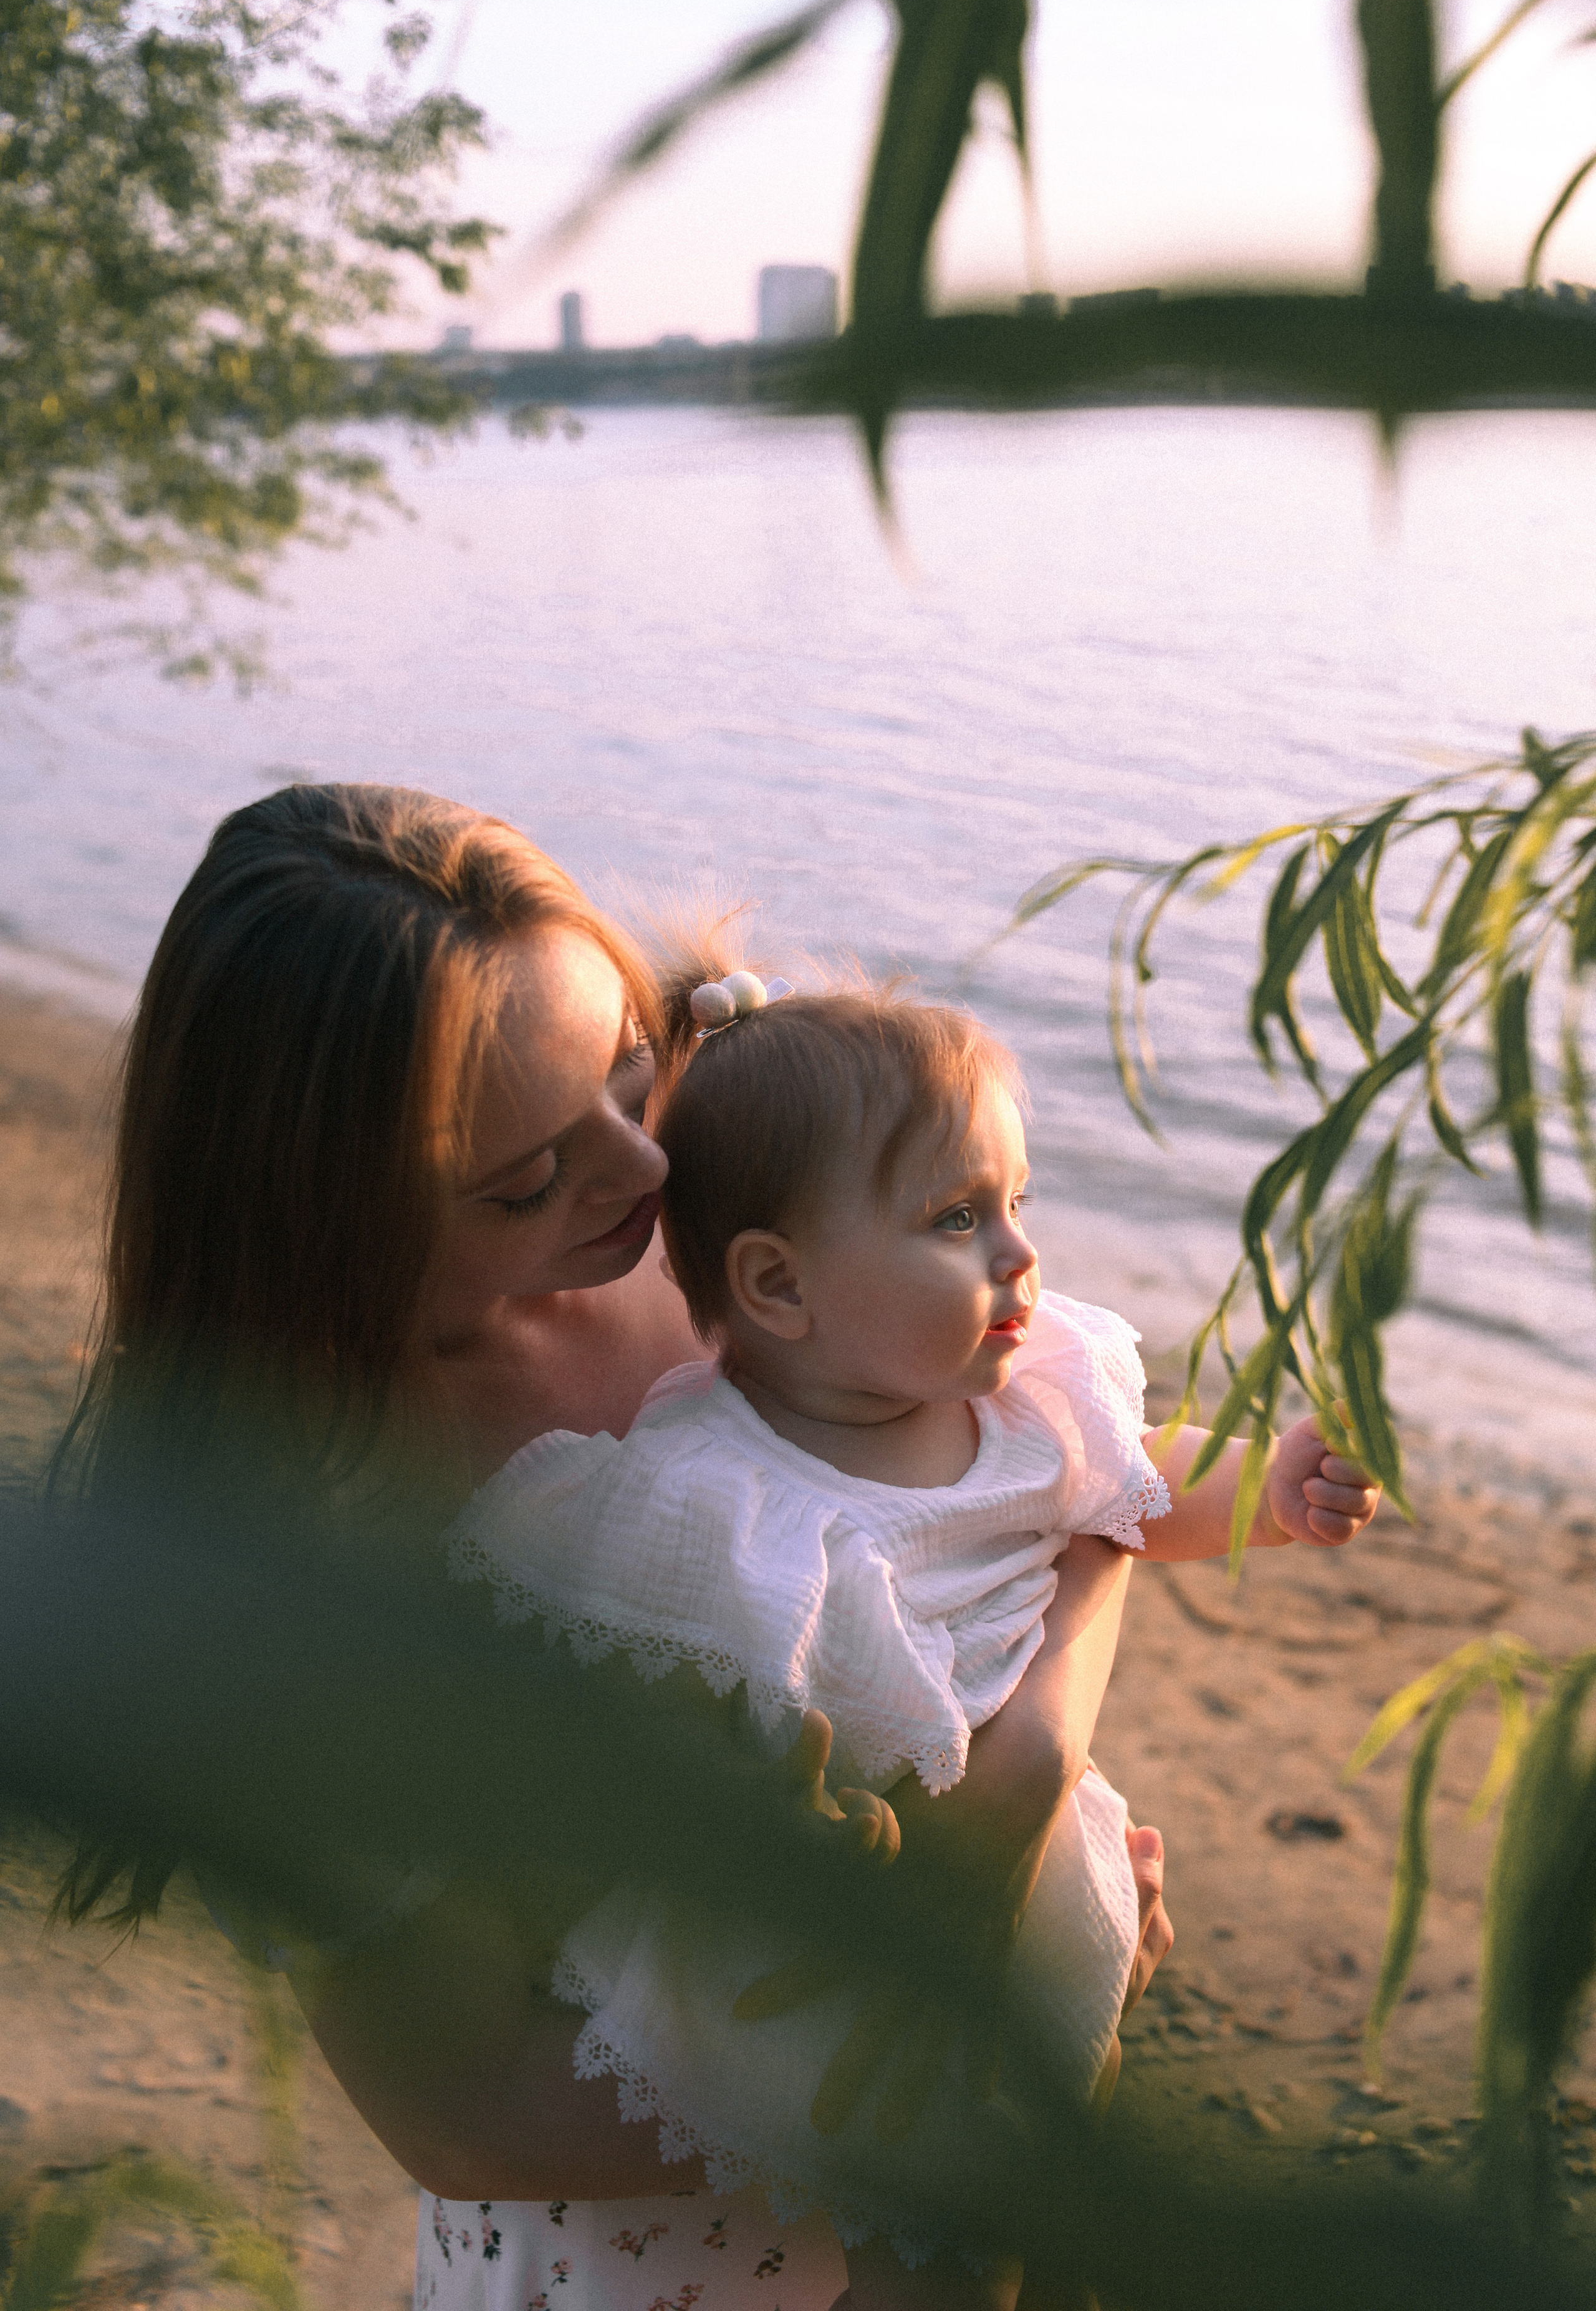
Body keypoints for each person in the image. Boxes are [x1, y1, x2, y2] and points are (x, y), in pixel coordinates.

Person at [51, 785, 1172, 2311]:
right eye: (525, 1178)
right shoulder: (310, 1552)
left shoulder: (697, 1259)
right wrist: (943, 2070)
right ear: (325, 1210)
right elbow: (466, 2111)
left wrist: (1032, 1786)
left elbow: (1041, 1481)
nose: (646, 1173)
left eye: (628, 1078)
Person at [440, 965, 1381, 2306]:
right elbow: (631, 1660)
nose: (1018, 1254)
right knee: (916, 2218)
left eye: (1015, 1202)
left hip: (1027, 1877)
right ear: (778, 1286)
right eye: (956, 1218)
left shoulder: (1023, 1400)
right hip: (846, 1923)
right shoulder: (707, 1482)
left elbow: (1139, 1483)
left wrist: (1274, 1493)